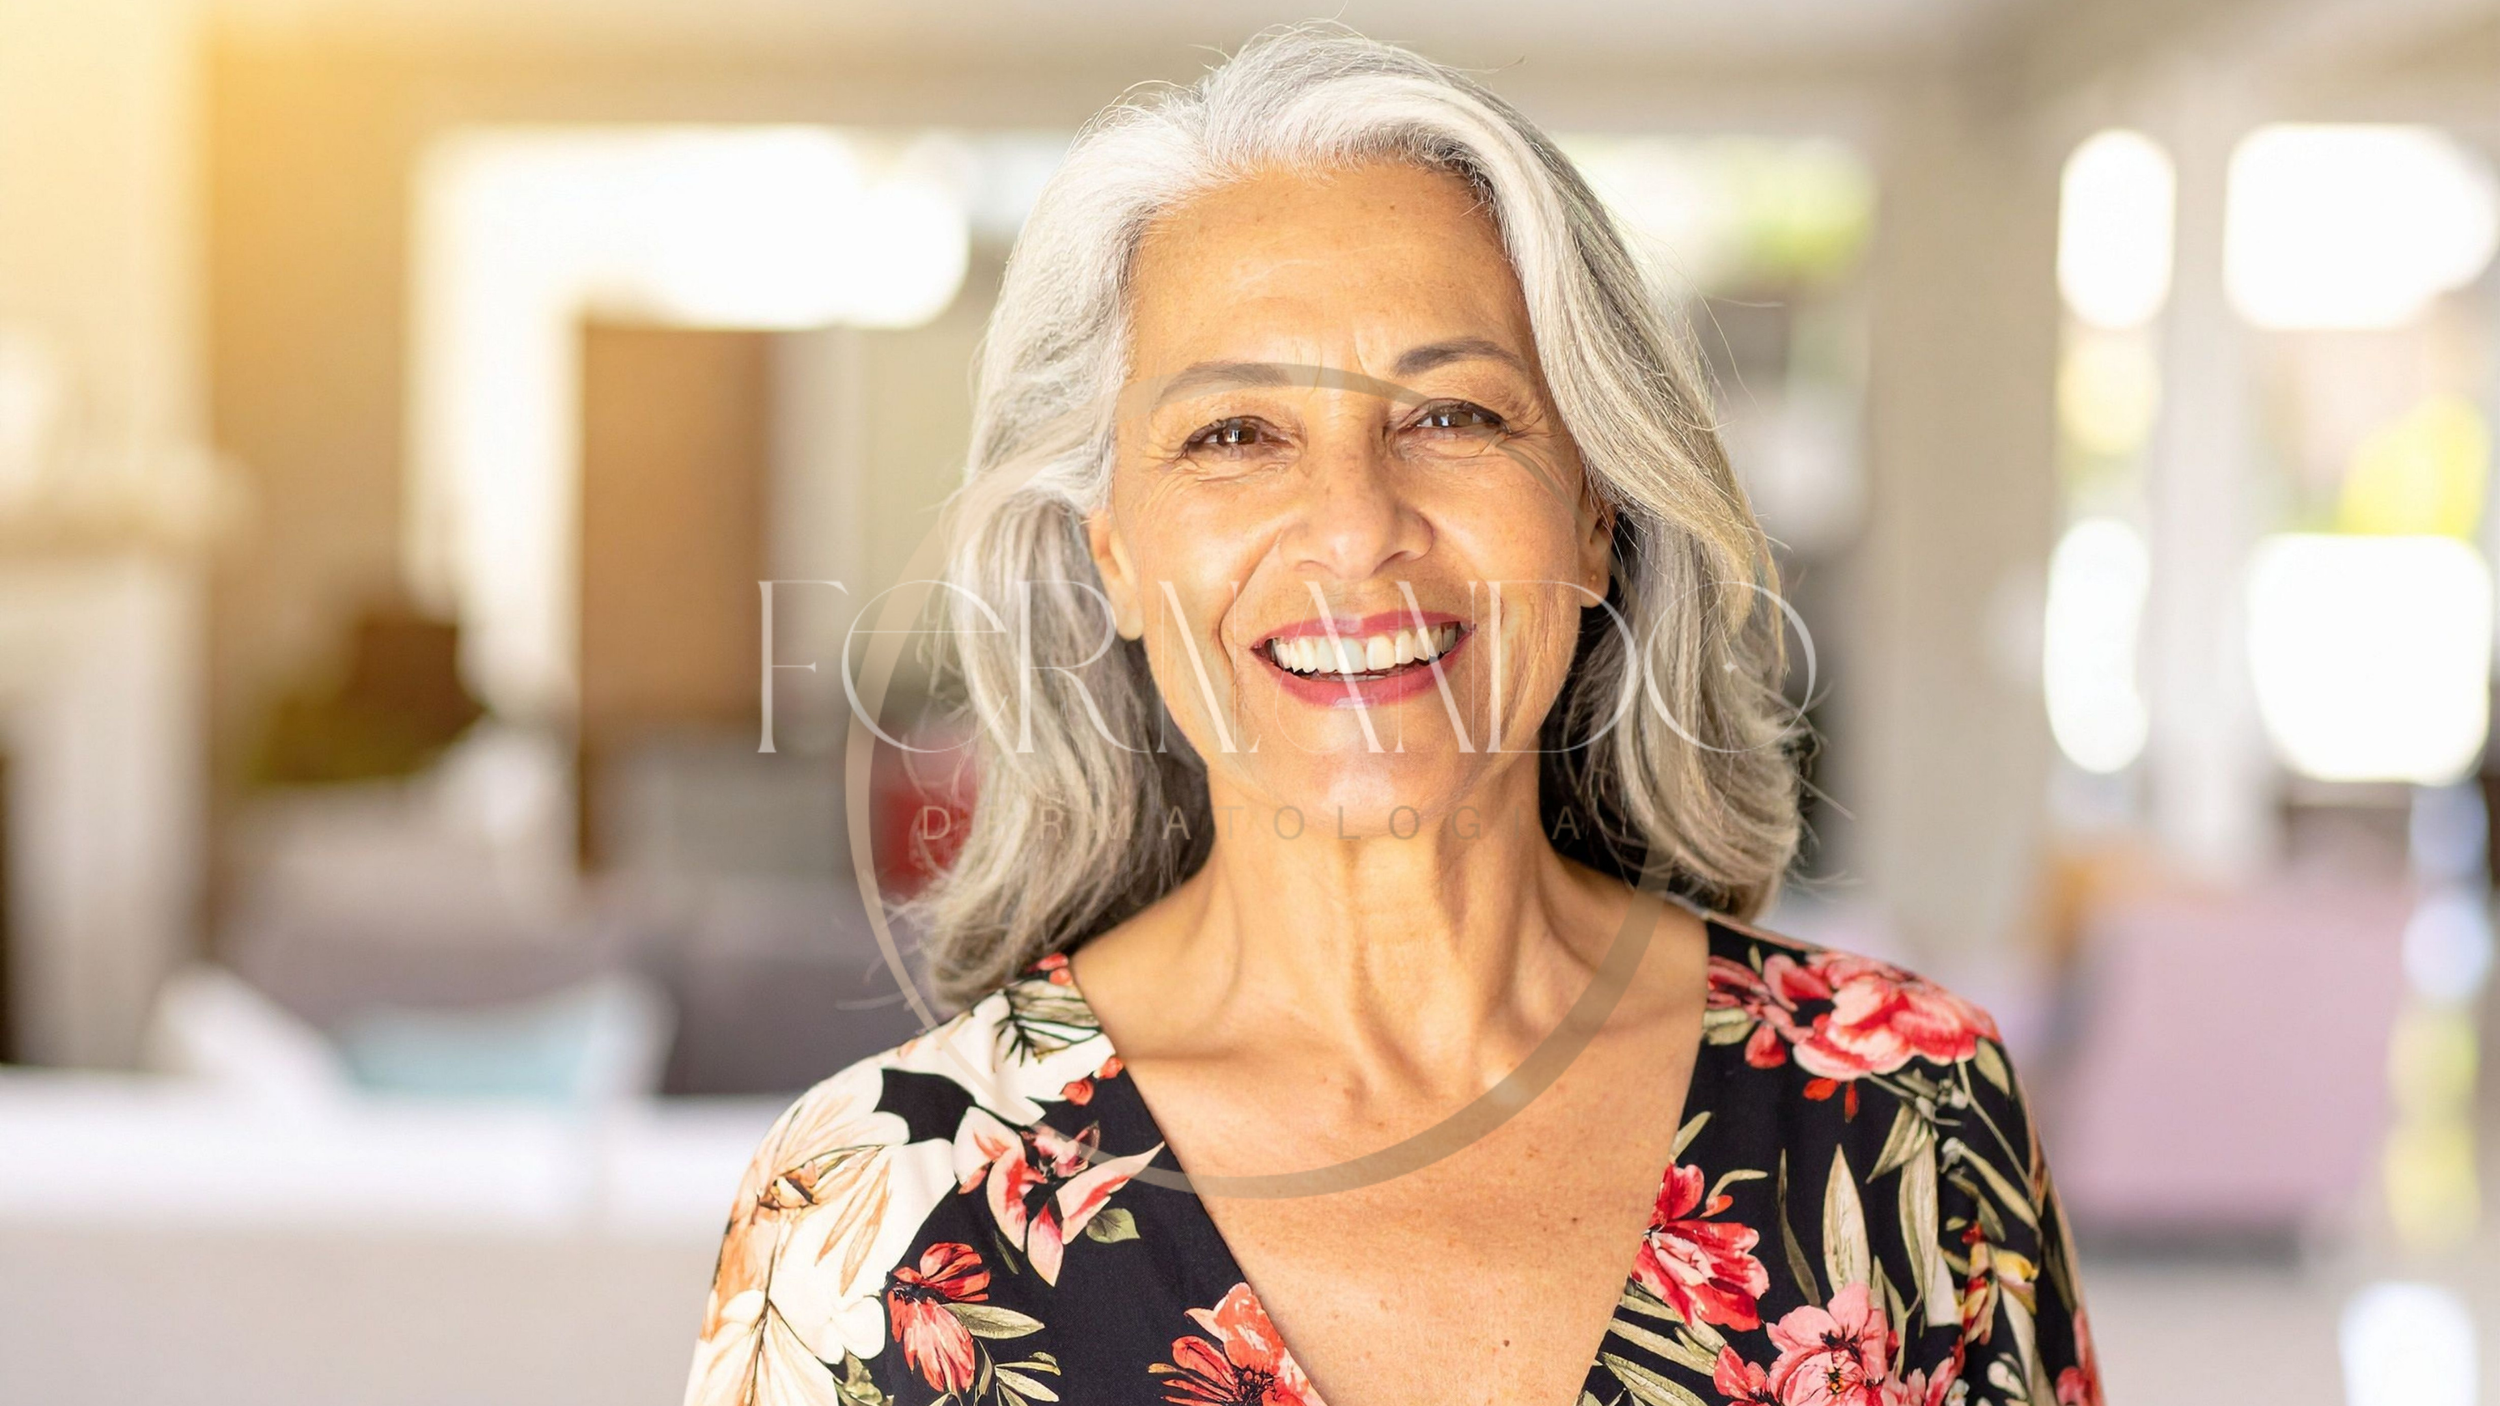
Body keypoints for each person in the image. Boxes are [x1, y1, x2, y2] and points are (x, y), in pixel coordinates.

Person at [686, 25, 2098, 1406]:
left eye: (1454, 417)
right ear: (1113, 551)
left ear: (1595, 507)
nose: (1357, 527)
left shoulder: (1915, 1111)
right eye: (1234, 434)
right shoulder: (865, 1215)